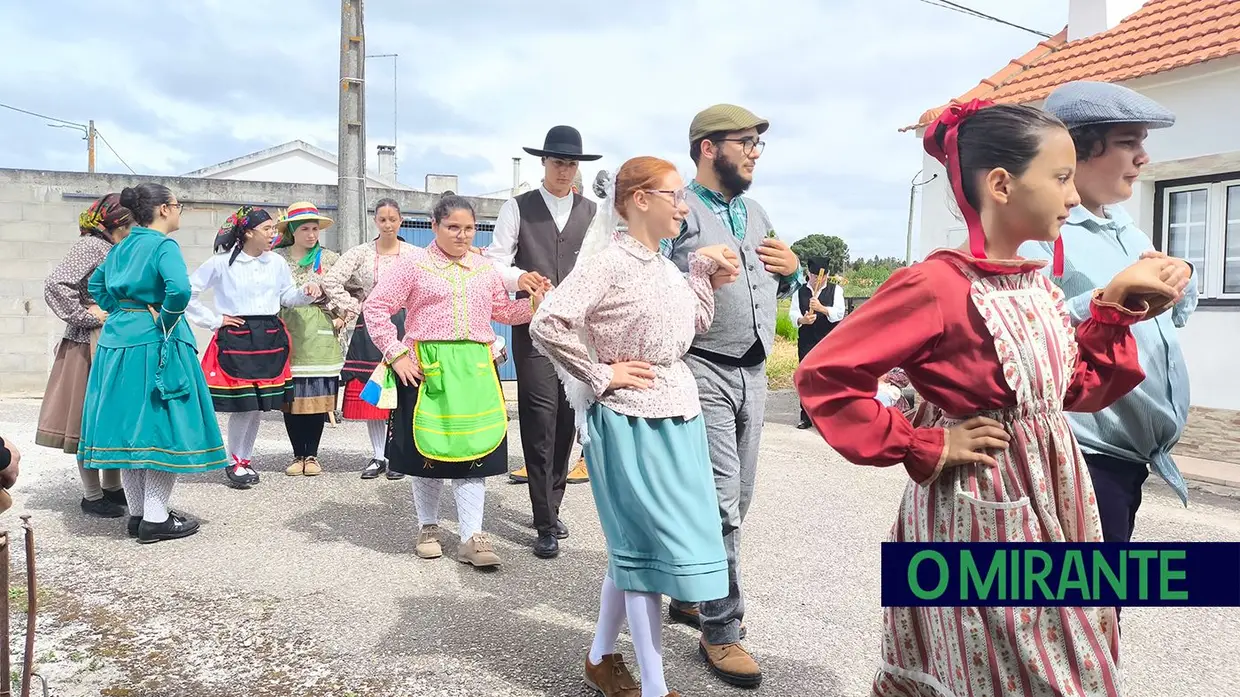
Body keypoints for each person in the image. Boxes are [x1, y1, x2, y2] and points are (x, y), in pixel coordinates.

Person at [794, 101, 1184, 695]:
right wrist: (925, 443)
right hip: (982, 506)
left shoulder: (1034, 282)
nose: (1073, 196)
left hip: (1058, 498)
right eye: (1061, 178)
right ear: (1002, 184)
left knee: (1066, 651)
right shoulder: (935, 285)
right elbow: (825, 374)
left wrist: (1114, 311)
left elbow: (1070, 390)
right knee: (1012, 668)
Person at [532, 156, 740, 697]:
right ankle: (654, 687)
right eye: (675, 195)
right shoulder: (608, 263)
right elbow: (547, 321)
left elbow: (694, 326)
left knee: (637, 550)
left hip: (680, 416)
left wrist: (701, 275)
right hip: (630, 421)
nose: (684, 206)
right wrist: (601, 374)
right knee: (645, 554)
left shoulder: (666, 266)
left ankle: (600, 659)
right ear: (640, 200)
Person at [661, 104, 802, 688]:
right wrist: (693, 265)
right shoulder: (678, 207)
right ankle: (722, 630)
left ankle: (689, 592)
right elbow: (648, 276)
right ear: (708, 147)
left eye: (757, 144)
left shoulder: (756, 211)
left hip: (753, 371)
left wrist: (793, 271)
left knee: (739, 499)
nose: (754, 153)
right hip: (701, 367)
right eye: (745, 142)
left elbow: (774, 280)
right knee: (722, 503)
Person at [1021, 80, 1196, 545]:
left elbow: (1175, 315)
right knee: (1085, 588)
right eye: (1128, 142)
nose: (1143, 157)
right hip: (1083, 455)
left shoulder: (1127, 230)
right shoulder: (1042, 233)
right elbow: (1025, 326)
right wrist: (1109, 298)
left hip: (1125, 460)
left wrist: (1182, 274)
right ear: (1075, 151)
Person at [364, 194, 540, 569]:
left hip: (475, 370)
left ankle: (471, 537)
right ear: (435, 226)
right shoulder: (413, 266)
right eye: (453, 227)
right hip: (425, 369)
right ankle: (428, 527)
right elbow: (375, 307)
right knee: (427, 452)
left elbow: (502, 311)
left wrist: (534, 305)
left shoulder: (484, 269)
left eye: (469, 228)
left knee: (473, 451)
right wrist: (396, 354)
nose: (462, 235)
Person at [78, 183, 228, 543]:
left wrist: (122, 311)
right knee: (162, 427)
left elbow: (97, 286)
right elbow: (180, 289)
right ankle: (156, 518)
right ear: (163, 209)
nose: (179, 211)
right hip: (154, 340)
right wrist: (165, 320)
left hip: (117, 341)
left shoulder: (121, 246)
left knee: (133, 430)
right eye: (178, 205)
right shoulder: (163, 245)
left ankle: (139, 515)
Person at [484, 125, 600, 559]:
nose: (564, 170)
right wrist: (520, 278)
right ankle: (544, 521)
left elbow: (602, 264)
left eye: (570, 163)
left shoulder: (593, 213)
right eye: (557, 162)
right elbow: (495, 261)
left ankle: (553, 504)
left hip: (578, 333)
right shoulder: (517, 208)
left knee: (568, 419)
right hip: (533, 328)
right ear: (544, 163)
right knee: (538, 417)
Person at [186, 206, 320, 489]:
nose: (273, 234)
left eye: (273, 229)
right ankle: (234, 461)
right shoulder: (222, 262)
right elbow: (187, 293)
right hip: (237, 336)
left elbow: (287, 296)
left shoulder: (276, 263)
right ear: (248, 232)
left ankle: (244, 459)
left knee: (257, 406)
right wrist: (214, 320)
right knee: (243, 405)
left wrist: (305, 294)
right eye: (267, 229)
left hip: (269, 336)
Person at [37, 194, 133, 517]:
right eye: (130, 223)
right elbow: (56, 284)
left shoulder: (112, 247)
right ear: (119, 223)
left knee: (109, 414)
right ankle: (92, 494)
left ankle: (112, 487)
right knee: (86, 416)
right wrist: (86, 316)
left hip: (110, 339)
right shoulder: (92, 245)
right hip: (87, 344)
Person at [323, 198, 419, 480]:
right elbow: (330, 280)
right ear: (375, 221)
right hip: (371, 325)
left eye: (393, 219)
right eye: (382, 220)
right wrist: (355, 306)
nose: (388, 225)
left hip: (405, 323)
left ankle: (399, 454)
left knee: (404, 389)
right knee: (374, 389)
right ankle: (379, 455)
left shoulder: (415, 254)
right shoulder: (361, 252)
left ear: (401, 221)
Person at [273, 203, 348, 477]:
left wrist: (343, 315)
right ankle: (297, 454)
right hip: (287, 329)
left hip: (319, 330)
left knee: (316, 395)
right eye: (305, 228)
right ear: (293, 230)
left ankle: (312, 455)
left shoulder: (330, 259)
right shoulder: (277, 259)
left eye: (315, 228)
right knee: (292, 397)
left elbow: (352, 289)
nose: (311, 234)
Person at [789, 256, 845, 429]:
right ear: (809, 273)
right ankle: (806, 416)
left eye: (822, 276)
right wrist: (802, 320)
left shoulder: (835, 290)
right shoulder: (800, 291)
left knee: (828, 378)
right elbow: (793, 314)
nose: (818, 280)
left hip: (828, 341)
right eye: (814, 276)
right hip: (807, 340)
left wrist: (822, 309)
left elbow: (839, 313)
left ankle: (828, 416)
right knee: (807, 378)